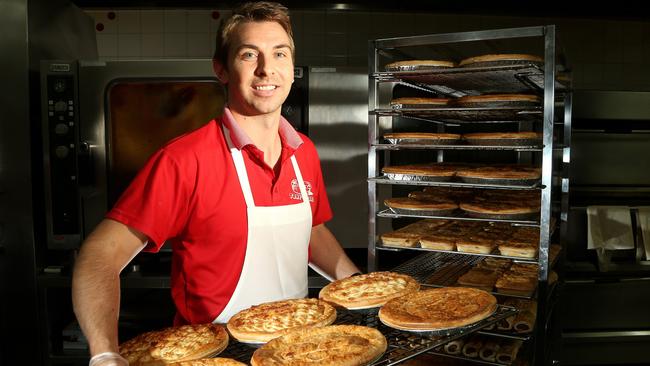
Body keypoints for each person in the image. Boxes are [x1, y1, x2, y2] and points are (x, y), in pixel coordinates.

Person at [71, 2, 361, 365]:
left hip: (297, 349)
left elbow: (311, 231)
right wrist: (104, 354)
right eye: (248, 55)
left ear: (292, 67)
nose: (266, 69)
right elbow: (98, 257)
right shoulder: (185, 159)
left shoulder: (303, 152)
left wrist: (356, 285)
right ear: (221, 69)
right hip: (211, 354)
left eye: (279, 54)